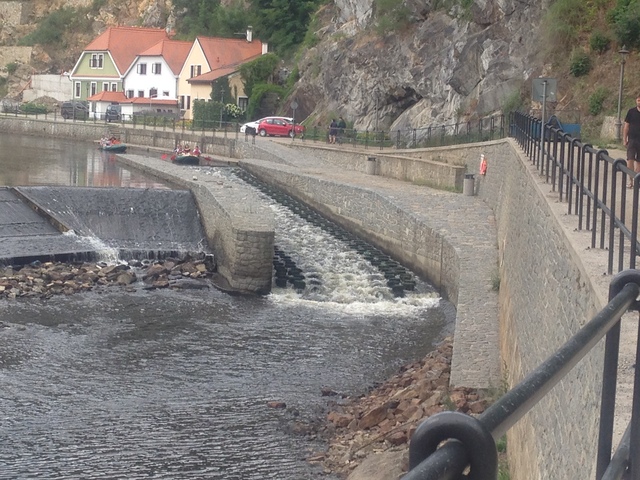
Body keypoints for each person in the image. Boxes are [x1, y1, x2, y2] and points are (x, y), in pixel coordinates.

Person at [623, 95, 640, 188]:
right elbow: (626, 126)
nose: (639, 102)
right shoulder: (631, 112)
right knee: (630, 159)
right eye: (638, 100)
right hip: (632, 139)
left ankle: (637, 180)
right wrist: (624, 139)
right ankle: (630, 180)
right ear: (636, 101)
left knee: (639, 162)